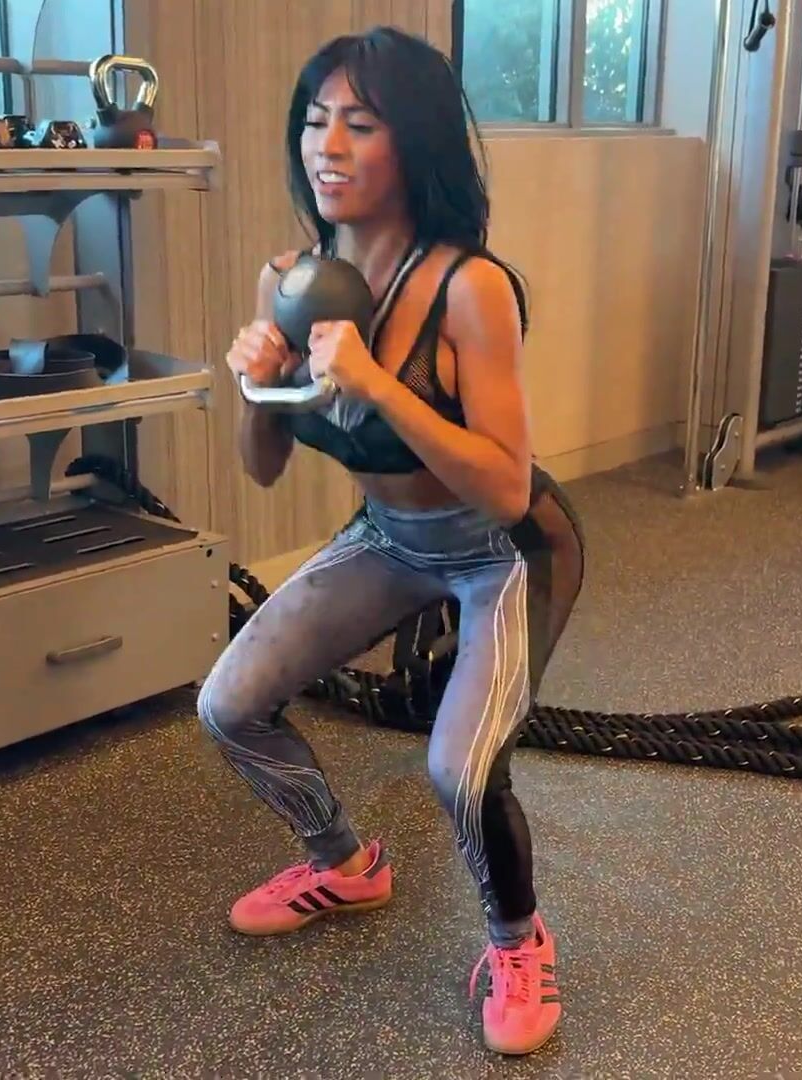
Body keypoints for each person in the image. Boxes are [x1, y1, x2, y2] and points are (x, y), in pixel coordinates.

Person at [196, 26, 586, 1057]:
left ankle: (517, 942)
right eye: (315, 120)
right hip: (391, 535)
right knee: (228, 704)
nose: (327, 145)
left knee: (460, 770)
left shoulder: (469, 287)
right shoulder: (291, 277)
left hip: (504, 548)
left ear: (413, 142)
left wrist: (377, 385)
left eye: (359, 124)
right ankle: (342, 863)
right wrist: (256, 388)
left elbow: (505, 484)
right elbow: (263, 467)